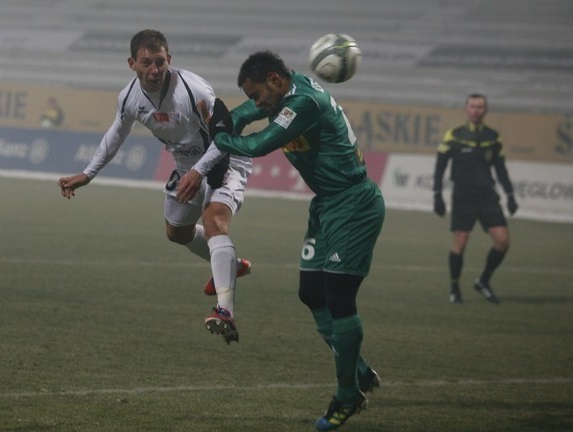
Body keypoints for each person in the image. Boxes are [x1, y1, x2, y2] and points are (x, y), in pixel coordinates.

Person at [208, 51, 384, 431]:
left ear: (274, 79)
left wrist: (221, 138)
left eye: (258, 95)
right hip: (327, 204)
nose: (257, 103)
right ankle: (359, 371)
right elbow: (243, 115)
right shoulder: (285, 90)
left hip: (353, 203)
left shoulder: (303, 103)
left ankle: (347, 395)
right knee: (311, 293)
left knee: (338, 297)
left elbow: (258, 145)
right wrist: (225, 122)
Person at [57, 29, 252, 344]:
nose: (154, 70)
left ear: (169, 60)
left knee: (214, 220)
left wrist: (199, 172)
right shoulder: (130, 97)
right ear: (132, 63)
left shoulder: (193, 89)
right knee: (178, 234)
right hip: (188, 168)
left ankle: (224, 311)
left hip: (226, 159)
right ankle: (231, 264)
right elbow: (116, 134)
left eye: (159, 62)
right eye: (146, 63)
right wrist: (88, 174)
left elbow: (225, 135)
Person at [433, 93, 518, 304]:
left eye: (480, 107)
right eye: (472, 106)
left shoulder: (493, 137)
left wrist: (510, 195)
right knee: (460, 241)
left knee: (503, 241)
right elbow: (440, 165)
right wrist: (437, 195)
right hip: (463, 196)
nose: (476, 110)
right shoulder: (454, 135)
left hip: (487, 195)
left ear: (485, 110)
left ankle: (483, 281)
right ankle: (454, 288)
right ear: (466, 109)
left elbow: (501, 169)